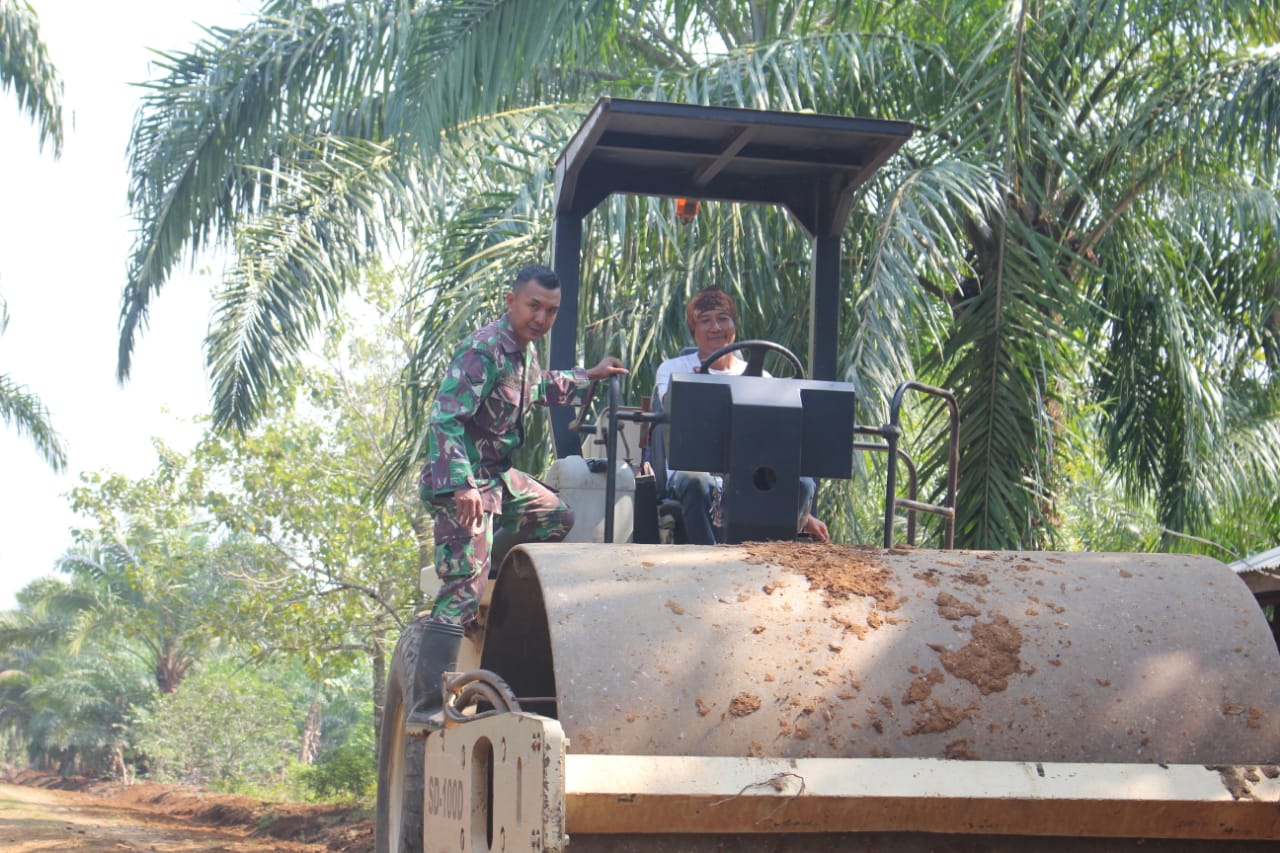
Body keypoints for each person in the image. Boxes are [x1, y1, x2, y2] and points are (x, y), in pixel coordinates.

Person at [409, 264, 628, 732]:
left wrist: (590, 374)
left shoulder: (523, 356)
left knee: (555, 515)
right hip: (464, 481)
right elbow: (445, 419)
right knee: (460, 590)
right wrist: (462, 485)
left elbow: (543, 386)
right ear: (512, 301)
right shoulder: (483, 350)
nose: (541, 317)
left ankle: (491, 570)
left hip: (497, 477)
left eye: (551, 310)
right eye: (534, 306)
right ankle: (424, 707)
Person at [654, 286, 829, 545]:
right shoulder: (673, 371)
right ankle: (706, 555)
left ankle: (771, 554)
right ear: (694, 330)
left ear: (734, 325)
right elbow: (683, 421)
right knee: (696, 479)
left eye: (723, 318)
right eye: (705, 321)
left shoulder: (761, 377)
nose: (715, 327)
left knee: (802, 484)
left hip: (748, 472)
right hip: (693, 471)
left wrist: (806, 515)